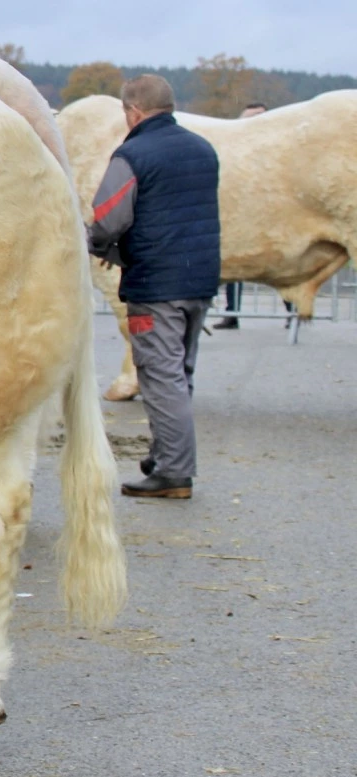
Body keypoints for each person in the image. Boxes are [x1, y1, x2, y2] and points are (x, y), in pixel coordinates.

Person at [87, 74, 220, 500]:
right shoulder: (202, 149)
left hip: (156, 284)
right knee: (180, 373)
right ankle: (164, 456)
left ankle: (174, 473)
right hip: (199, 281)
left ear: (133, 111)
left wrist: (99, 243)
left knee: (161, 379)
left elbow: (109, 216)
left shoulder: (134, 154)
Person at [212, 102, 268, 329]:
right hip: (237, 214)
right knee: (234, 261)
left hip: (266, 211)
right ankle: (232, 312)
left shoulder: (273, 149)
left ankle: (293, 309)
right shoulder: (232, 150)